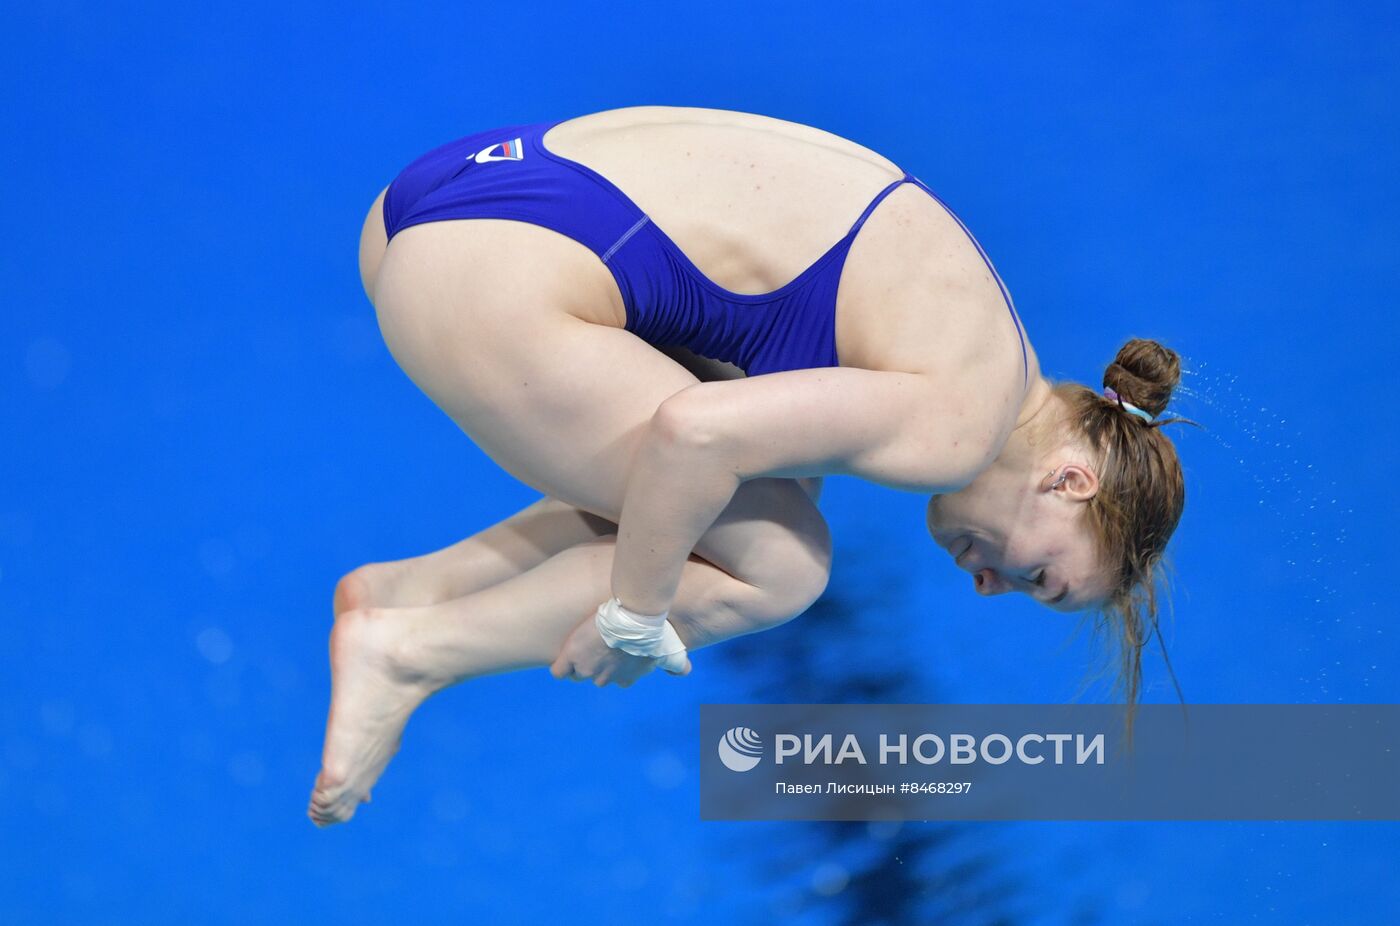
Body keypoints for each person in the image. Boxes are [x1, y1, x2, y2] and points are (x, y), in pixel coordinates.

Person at [308, 105, 1188, 827]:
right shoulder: (957, 428)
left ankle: (407, 594)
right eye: (1041, 577)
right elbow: (695, 434)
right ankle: (411, 653)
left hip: (436, 201)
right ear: (1070, 480)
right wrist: (636, 617)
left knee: (725, 508)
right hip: (483, 279)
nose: (992, 588)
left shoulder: (990, 348)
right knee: (782, 569)